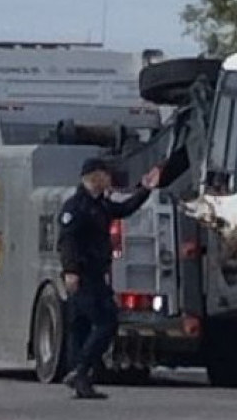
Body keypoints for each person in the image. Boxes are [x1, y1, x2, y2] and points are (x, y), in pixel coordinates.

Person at [57, 158, 160, 399]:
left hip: (96, 274)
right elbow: (67, 241)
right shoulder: (77, 206)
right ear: (93, 177)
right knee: (106, 322)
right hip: (82, 275)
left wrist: (145, 189)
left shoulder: (100, 204)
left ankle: (81, 379)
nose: (109, 178)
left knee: (81, 326)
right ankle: (80, 370)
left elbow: (124, 210)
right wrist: (70, 271)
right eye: (105, 174)